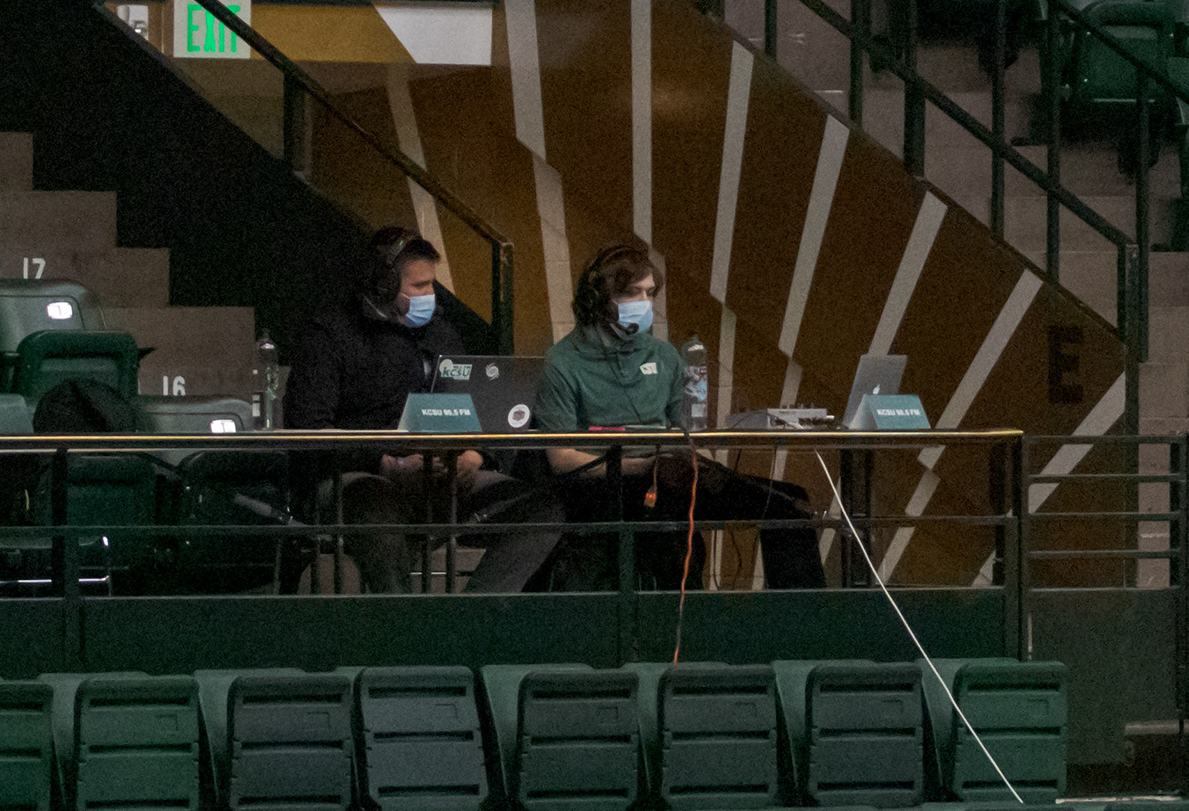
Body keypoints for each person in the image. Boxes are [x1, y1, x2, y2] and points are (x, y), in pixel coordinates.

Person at [468, 236, 825, 592]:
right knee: (669, 527)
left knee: (789, 505)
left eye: (650, 293)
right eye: (633, 293)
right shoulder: (562, 362)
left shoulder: (666, 355)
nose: (645, 302)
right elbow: (561, 460)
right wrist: (642, 467)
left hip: (667, 477)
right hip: (601, 487)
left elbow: (683, 432)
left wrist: (687, 461)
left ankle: (803, 633)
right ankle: (681, 621)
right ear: (601, 299)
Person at [284, 226, 500, 594]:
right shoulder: (330, 335)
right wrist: (386, 463)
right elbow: (308, 431)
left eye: (433, 284)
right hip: (355, 478)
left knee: (539, 509)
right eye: (420, 286)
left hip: (441, 476)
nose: (431, 295)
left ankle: (479, 616)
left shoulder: (442, 335)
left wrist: (476, 455)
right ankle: (403, 634)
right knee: (379, 509)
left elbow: (481, 407)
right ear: (384, 285)